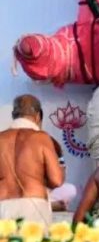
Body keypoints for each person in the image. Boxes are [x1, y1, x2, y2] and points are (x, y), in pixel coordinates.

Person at [0, 95, 64, 225]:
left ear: (13, 115)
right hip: (34, 205)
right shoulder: (41, 138)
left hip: (3, 205)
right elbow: (56, 180)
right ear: (38, 116)